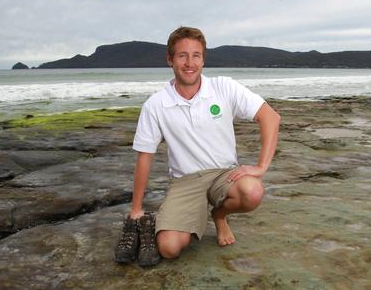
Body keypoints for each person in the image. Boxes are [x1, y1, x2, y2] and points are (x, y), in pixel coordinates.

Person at [115, 26, 280, 266]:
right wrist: (136, 208)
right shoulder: (156, 105)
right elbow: (145, 156)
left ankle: (219, 215)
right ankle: (178, 217)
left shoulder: (224, 87)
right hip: (186, 181)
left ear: (203, 59)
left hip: (224, 174)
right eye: (182, 55)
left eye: (196, 55)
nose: (189, 63)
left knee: (253, 191)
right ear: (170, 60)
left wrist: (261, 167)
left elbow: (270, 117)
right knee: (169, 249)